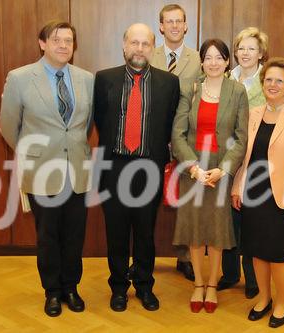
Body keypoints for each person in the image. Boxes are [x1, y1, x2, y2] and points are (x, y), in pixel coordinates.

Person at [0, 20, 93, 317]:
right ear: (42, 43)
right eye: (56, 40)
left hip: (77, 170)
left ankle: (71, 287)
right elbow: (8, 126)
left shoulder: (86, 79)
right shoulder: (20, 78)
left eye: (69, 40)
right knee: (49, 235)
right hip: (41, 171)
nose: (64, 45)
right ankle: (52, 291)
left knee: (75, 234)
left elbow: (86, 125)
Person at [94, 23, 180, 312]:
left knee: (145, 233)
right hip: (114, 167)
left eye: (146, 44)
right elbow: (99, 120)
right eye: (134, 42)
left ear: (153, 48)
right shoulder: (104, 79)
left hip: (149, 169)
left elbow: (168, 124)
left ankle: (144, 286)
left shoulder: (169, 83)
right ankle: (118, 288)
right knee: (116, 233)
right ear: (124, 44)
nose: (140, 49)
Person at [231, 57, 284, 328]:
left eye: (280, 80)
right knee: (256, 251)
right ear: (262, 83)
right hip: (253, 193)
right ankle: (264, 298)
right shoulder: (253, 114)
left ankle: (281, 302)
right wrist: (237, 188)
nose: (273, 84)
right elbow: (246, 157)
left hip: (282, 197)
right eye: (269, 80)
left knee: (277, 255)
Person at [171, 39, 248, 313]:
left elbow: (241, 138)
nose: (213, 62)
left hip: (219, 171)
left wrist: (224, 169)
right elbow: (177, 134)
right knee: (194, 229)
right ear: (201, 61)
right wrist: (192, 167)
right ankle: (198, 284)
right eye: (208, 57)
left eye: (219, 57)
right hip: (193, 171)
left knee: (216, 232)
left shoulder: (237, 92)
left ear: (228, 61)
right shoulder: (189, 90)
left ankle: (212, 285)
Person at [149, 3, 201, 282]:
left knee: (186, 200)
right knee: (147, 197)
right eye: (168, 22)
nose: (173, 26)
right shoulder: (149, 54)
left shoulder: (198, 58)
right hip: (152, 138)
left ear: (186, 26)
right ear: (160, 26)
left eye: (178, 21)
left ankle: (185, 258)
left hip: (186, 138)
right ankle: (144, 257)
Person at [218, 26, 268, 299]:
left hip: (255, 160)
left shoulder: (268, 81)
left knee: (251, 221)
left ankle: (252, 278)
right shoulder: (224, 78)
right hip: (226, 158)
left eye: (251, 48)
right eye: (241, 48)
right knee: (227, 219)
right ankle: (229, 273)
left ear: (261, 53)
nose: (245, 53)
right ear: (234, 52)